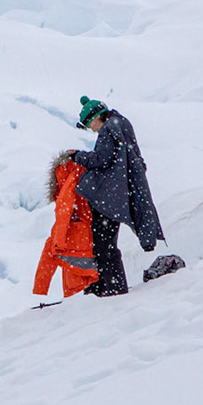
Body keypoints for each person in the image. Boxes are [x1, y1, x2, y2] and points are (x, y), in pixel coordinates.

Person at [70, 97, 164, 294]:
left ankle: (111, 286)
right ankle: (107, 283)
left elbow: (101, 159)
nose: (92, 129)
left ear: (96, 117)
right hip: (119, 193)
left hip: (109, 198)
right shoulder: (122, 123)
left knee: (103, 244)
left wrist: (77, 156)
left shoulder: (108, 129)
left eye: (90, 124)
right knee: (107, 242)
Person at [34, 153, 98, 299]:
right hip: (91, 239)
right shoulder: (88, 177)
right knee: (92, 296)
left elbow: (63, 215)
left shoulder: (69, 182)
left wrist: (41, 285)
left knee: (76, 297)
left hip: (73, 247)